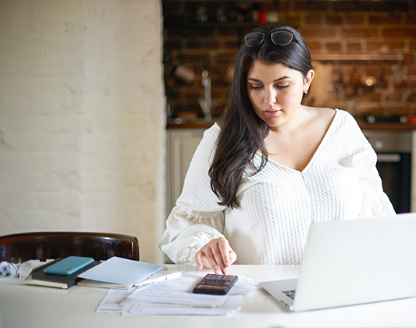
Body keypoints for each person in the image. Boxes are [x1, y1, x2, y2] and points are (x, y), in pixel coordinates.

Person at [158, 25, 395, 274]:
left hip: (340, 292)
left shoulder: (342, 128)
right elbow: (184, 221)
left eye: (282, 86)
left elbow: (376, 212)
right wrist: (204, 243)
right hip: (257, 299)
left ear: (307, 80)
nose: (268, 100)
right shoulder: (223, 139)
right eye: (256, 86)